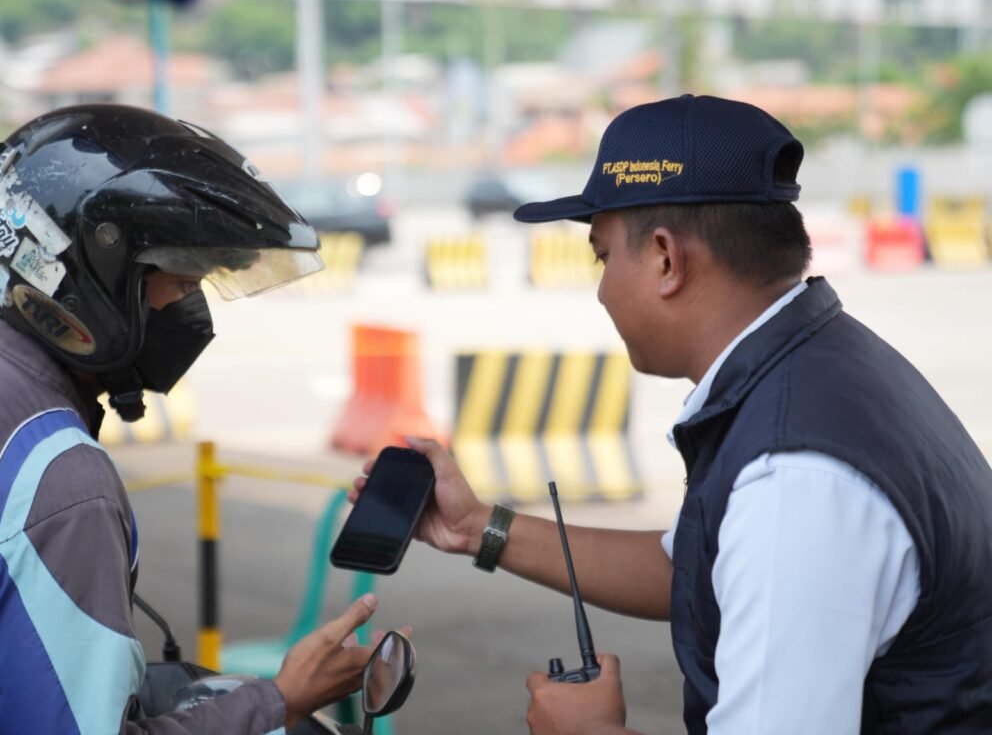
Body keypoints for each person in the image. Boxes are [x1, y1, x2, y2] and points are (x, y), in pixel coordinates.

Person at [351, 94, 992, 734]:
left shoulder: (793, 478)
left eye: (602, 257)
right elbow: (696, 568)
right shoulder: (827, 365)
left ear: (665, 258)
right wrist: (480, 528)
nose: (601, 290)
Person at [0, 104, 391, 734]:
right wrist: (281, 700)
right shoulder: (60, 484)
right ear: (94, 286)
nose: (195, 315)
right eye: (184, 284)